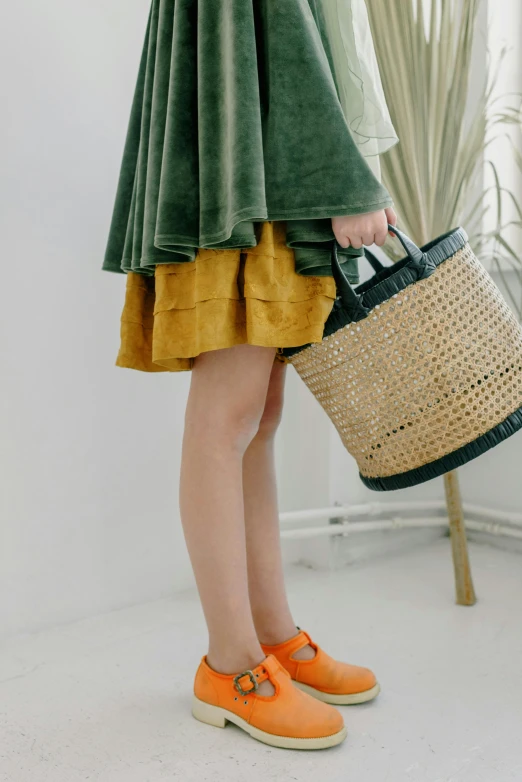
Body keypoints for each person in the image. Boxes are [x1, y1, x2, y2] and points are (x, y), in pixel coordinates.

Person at [103, 0, 398, 751]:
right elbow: (289, 47)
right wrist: (346, 181)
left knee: (257, 418)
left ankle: (273, 638)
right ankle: (230, 665)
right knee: (228, 417)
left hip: (251, 173)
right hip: (246, 184)